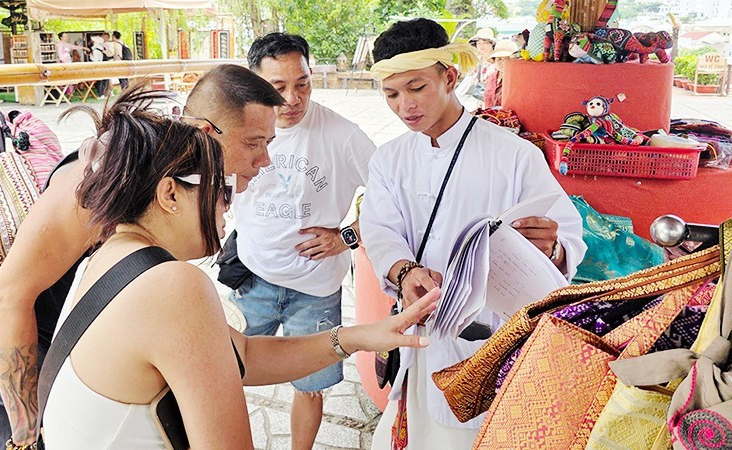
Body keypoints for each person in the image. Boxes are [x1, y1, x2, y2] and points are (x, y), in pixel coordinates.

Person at [38, 85, 438, 448]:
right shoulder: (174, 285)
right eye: (222, 188)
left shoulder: (111, 250)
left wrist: (360, 337)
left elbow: (243, 354)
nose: (229, 205)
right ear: (169, 194)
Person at [0, 65, 280, 450]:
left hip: (107, 376)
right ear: (208, 134)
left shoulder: (175, 182)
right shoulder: (106, 176)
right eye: (254, 143)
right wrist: (25, 433)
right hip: (42, 378)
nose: (266, 159)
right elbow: (6, 299)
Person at [360, 18, 587, 448]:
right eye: (391, 94)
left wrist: (552, 246)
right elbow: (380, 228)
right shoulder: (388, 160)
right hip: (420, 337)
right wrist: (405, 272)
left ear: (449, 76)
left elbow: (566, 235)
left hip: (489, 344)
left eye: (416, 87)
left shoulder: (514, 154)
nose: (405, 105)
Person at [230, 32, 377, 450]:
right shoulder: (238, 128)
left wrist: (347, 236)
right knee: (222, 373)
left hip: (315, 290)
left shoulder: (344, 136)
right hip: (252, 278)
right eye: (277, 88)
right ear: (254, 83)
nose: (292, 99)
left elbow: (394, 202)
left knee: (310, 387)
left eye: (303, 83)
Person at [483, 40, 518, 109]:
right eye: (498, 59)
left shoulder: (517, 79)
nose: (502, 62)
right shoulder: (491, 77)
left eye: (506, 59)